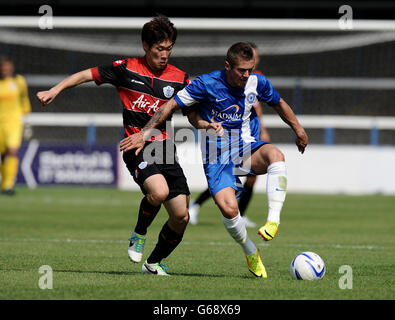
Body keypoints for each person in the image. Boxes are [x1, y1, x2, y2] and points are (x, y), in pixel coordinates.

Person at [119, 42, 308, 278]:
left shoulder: (257, 82)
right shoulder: (206, 83)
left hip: (246, 147)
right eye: (241, 70)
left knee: (276, 155)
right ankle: (250, 251)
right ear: (227, 66)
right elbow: (172, 104)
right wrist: (147, 132)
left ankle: (273, 220)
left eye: (250, 69)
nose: (246, 75)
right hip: (217, 157)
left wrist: (298, 129)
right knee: (229, 210)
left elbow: (278, 103)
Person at [36, 15, 191, 276]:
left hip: (165, 149)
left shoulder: (179, 78)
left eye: (169, 49)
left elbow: (195, 107)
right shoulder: (125, 68)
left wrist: (209, 123)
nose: (164, 55)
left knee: (181, 216)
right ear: (145, 46)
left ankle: (152, 264)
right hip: (135, 146)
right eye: (159, 49)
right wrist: (56, 89)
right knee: (159, 192)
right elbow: (87, 74)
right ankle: (138, 234)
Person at [188, 42, 271, 228]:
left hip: (249, 134)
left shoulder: (256, 80)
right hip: (227, 136)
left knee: (249, 176)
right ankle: (195, 205)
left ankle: (239, 214)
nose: (254, 62)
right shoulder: (231, 80)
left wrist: (262, 130)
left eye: (256, 59)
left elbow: (255, 109)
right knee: (227, 176)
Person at [0, 57, 31, 195]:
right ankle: (4, 180)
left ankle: (8, 185)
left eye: (8, 66)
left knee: (12, 151)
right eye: (3, 67)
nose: (5, 69)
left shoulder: (19, 82)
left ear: (11, 67)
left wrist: (28, 121)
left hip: (14, 123)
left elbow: (24, 99)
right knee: (2, 155)